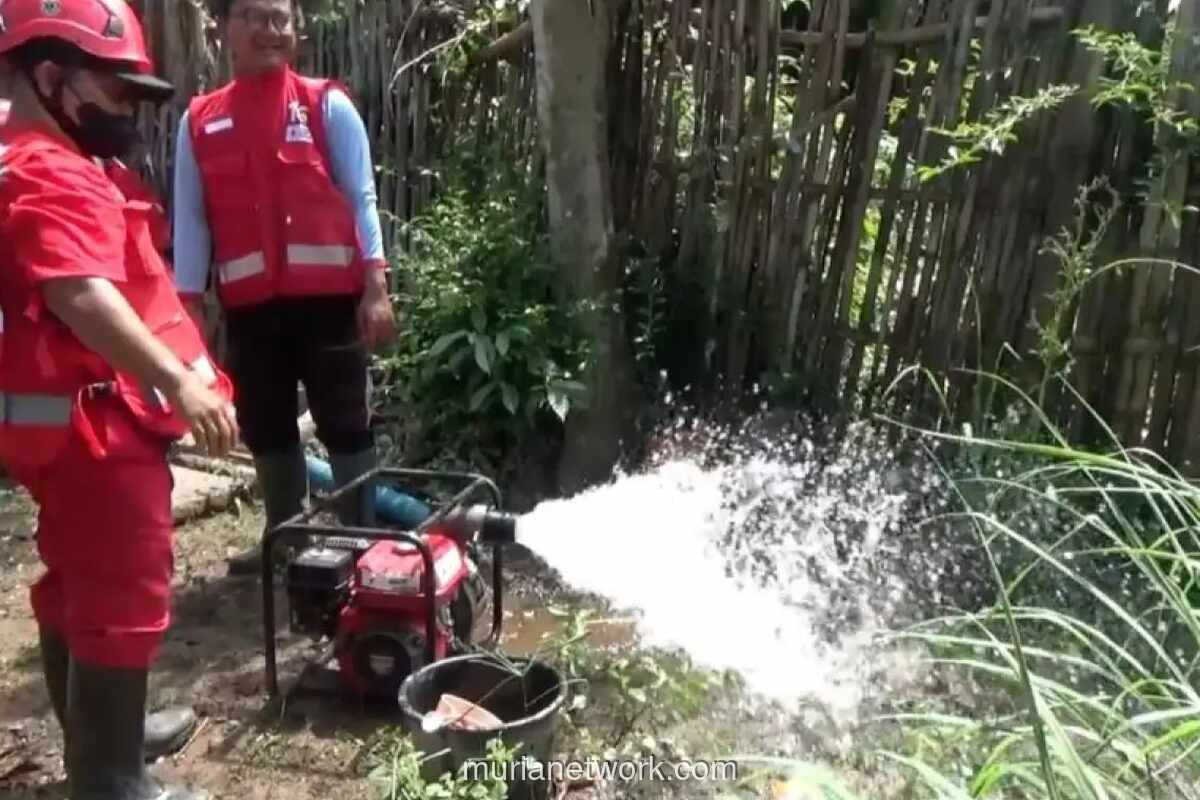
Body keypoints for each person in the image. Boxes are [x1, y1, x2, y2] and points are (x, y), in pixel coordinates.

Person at [0, 1, 238, 797]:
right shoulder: (46, 169)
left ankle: (106, 739)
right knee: (121, 590)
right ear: (50, 78)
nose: (129, 112)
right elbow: (79, 293)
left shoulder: (54, 155)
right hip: (94, 427)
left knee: (79, 578)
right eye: (116, 91)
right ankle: (110, 780)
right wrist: (179, 382)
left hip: (80, 420)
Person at [172, 0, 396, 575]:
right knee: (265, 424)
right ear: (226, 28)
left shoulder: (326, 105)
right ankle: (286, 536)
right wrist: (188, 308)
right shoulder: (198, 123)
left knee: (346, 420)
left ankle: (363, 539)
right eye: (254, 17)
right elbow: (192, 222)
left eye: (281, 19)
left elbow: (361, 197)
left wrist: (376, 285)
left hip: (329, 305)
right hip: (250, 312)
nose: (270, 31)